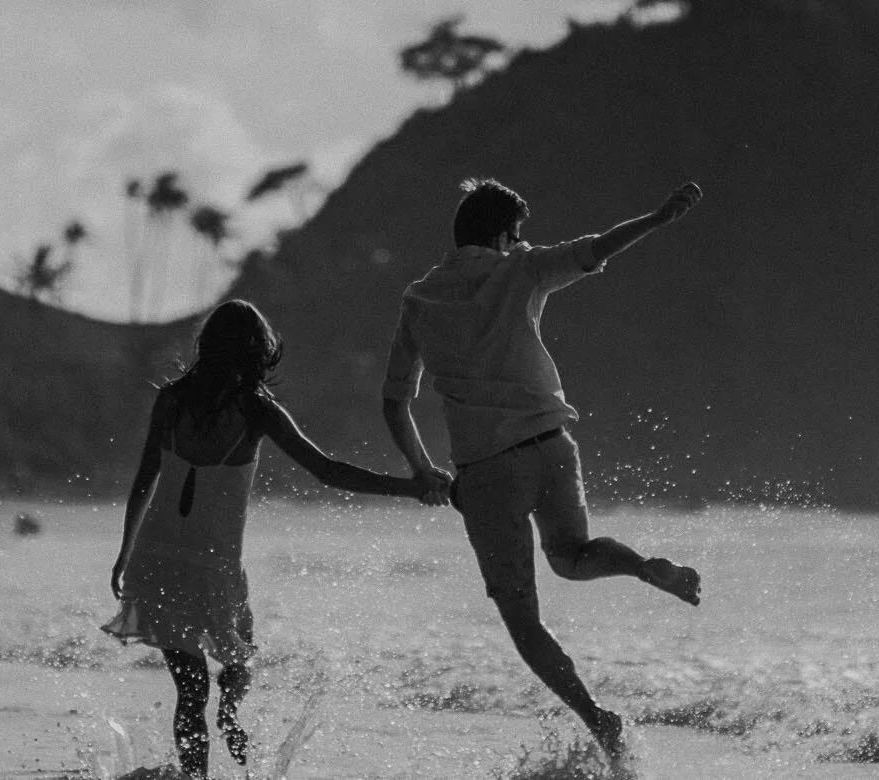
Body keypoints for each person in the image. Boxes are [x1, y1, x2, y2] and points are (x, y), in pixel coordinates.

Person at [381, 177, 706, 762]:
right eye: (517, 233)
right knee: (574, 556)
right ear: (502, 235)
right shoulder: (522, 269)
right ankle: (641, 566)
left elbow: (394, 400)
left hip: (485, 473)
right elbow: (597, 246)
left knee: (522, 617)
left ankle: (596, 717)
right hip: (553, 445)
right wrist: (658, 218)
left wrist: (424, 469)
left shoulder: (420, 299)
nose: (520, 241)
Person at [108, 299, 443, 777]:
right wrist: (409, 487)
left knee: (190, 689)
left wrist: (125, 554)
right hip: (212, 566)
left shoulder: (171, 399)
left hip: (157, 558)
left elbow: (145, 476)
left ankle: (195, 775)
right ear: (258, 351)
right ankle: (229, 717)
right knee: (237, 666)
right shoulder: (258, 410)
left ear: (207, 346)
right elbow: (326, 471)